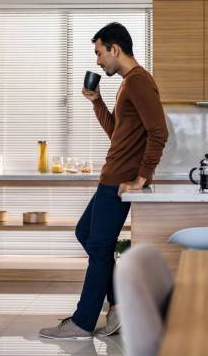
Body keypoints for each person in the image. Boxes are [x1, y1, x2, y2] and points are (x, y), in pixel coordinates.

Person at [39, 22, 169, 339]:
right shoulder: (127, 84)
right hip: (111, 177)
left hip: (121, 181)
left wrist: (142, 177)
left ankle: (83, 322)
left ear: (114, 49)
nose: (98, 61)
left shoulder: (139, 82)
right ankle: (120, 306)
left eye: (99, 53)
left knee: (98, 245)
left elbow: (159, 132)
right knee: (86, 233)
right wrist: (97, 102)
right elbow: (117, 134)